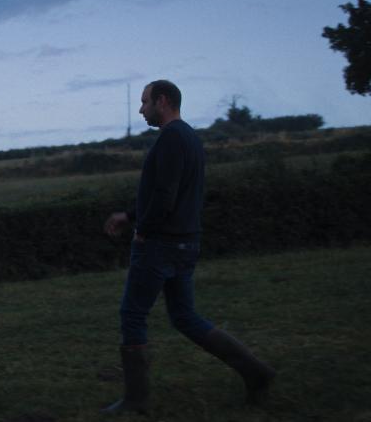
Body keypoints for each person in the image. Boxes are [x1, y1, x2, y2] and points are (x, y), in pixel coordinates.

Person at [101, 80, 276, 414]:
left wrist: (143, 230)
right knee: (185, 316)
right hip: (185, 243)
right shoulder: (190, 138)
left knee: (133, 314)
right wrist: (130, 215)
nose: (141, 109)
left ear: (162, 101)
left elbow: (164, 197)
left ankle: (136, 399)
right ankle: (256, 373)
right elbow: (171, 193)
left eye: (145, 102)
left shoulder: (169, 139)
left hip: (160, 245)